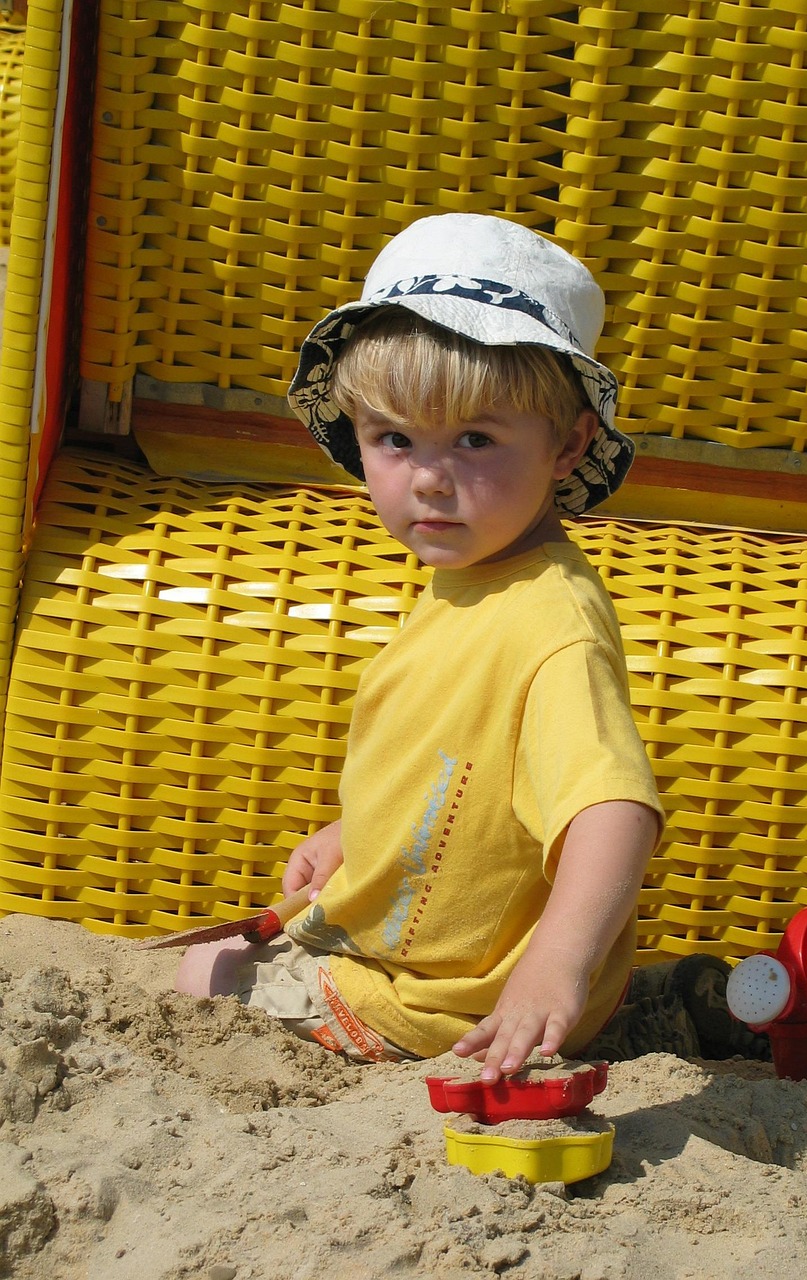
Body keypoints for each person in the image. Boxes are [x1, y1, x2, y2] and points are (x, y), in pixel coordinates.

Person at [175, 212, 666, 1081]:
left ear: (569, 444)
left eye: (475, 439)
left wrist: (555, 968)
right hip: (441, 942)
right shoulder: (480, 574)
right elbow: (460, 761)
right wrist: (358, 835)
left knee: (202, 973)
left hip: (451, 1003)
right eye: (394, 438)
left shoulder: (552, 627)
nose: (430, 477)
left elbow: (612, 811)